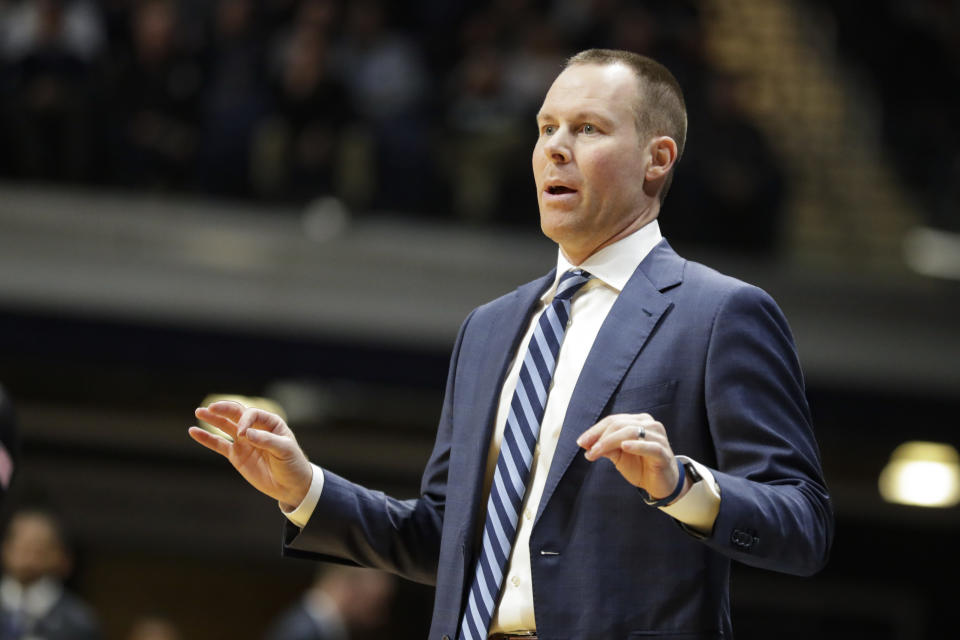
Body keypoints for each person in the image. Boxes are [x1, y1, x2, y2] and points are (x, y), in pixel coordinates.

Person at [190, 49, 833, 639]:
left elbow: (802, 526)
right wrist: (306, 488)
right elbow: (445, 536)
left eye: (587, 129)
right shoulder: (489, 328)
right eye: (546, 127)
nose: (555, 147)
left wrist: (680, 484)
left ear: (656, 159)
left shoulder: (720, 313)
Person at [0, 509, 101, 640]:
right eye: (22, 547)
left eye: (38, 550)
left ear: (59, 556)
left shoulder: (77, 620)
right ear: (6, 548)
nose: (28, 558)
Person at [264, 566, 395, 640]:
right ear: (351, 587)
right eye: (376, 602)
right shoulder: (300, 632)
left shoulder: (317, 629)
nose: (379, 617)